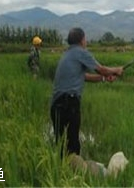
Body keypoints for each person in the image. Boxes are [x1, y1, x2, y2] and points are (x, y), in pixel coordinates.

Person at [50, 27, 124, 157]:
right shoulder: (81, 52)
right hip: (69, 104)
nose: (86, 41)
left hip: (56, 105)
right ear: (82, 40)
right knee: (72, 145)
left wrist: (104, 78)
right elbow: (100, 69)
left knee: (61, 145)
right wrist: (116, 70)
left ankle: (61, 173)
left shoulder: (67, 55)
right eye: (85, 39)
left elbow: (84, 77)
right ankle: (73, 174)